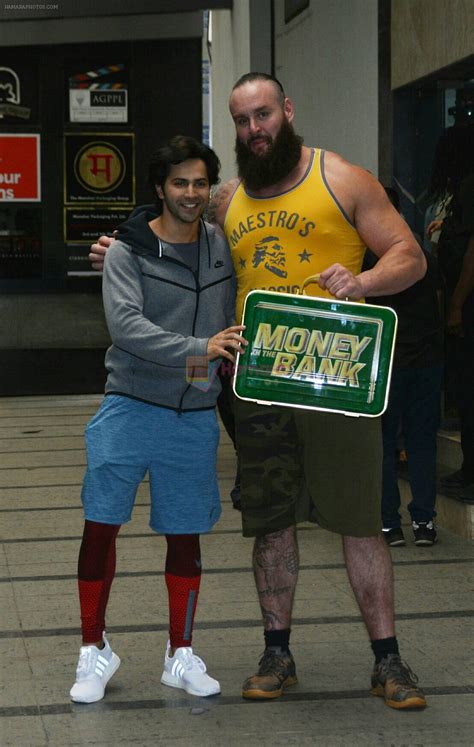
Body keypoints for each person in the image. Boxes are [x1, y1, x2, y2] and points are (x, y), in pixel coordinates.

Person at [90, 73, 428, 710]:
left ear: (287, 111)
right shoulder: (227, 198)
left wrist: (364, 281)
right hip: (262, 385)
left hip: (338, 380)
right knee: (272, 524)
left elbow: (410, 255)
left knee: (360, 522)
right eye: (242, 120)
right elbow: (170, 219)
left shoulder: (342, 177)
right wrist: (122, 246)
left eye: (263, 115)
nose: (254, 130)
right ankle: (278, 653)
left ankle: (389, 660)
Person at [71, 135, 247, 704]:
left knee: (185, 534)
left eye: (200, 183)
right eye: (180, 183)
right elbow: (126, 329)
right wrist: (204, 346)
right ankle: (93, 650)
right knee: (100, 526)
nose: (191, 194)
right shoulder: (126, 251)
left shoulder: (223, 247)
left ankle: (181, 654)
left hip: (193, 415)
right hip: (128, 405)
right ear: (159, 189)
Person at [364, 187, 443, 547]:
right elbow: (437, 306)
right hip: (423, 361)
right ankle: (423, 521)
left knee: (382, 445)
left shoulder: (365, 261)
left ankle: (389, 523)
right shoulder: (421, 254)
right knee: (422, 443)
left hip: (386, 367)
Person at [427, 125, 474, 503]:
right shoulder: (464, 192)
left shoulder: (469, 186)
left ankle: (471, 472)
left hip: (468, 309)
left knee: (467, 389)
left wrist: (456, 305)